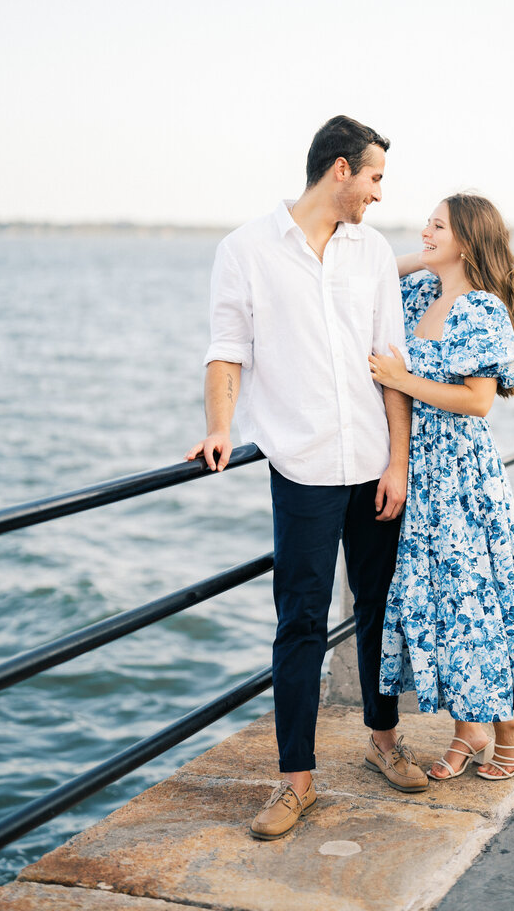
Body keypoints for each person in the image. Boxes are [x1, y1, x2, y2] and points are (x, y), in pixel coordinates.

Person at [186, 116, 428, 842]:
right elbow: (226, 350)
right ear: (341, 170)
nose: (380, 195)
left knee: (381, 613)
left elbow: (393, 363)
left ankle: (385, 742)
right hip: (303, 468)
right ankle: (296, 783)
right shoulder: (246, 251)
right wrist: (222, 428)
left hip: (373, 469)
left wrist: (399, 461)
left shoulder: (374, 252)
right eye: (376, 178)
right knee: (300, 624)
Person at [368, 193, 514, 781]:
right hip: (421, 472)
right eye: (426, 222)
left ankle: (513, 725)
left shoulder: (480, 309)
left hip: (461, 477)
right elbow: (375, 274)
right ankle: (469, 727)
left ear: (469, 241)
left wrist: (403, 378)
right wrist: (426, 256)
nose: (424, 230)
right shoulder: (424, 293)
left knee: (474, 599)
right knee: (445, 604)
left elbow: (477, 402)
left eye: (438, 225)